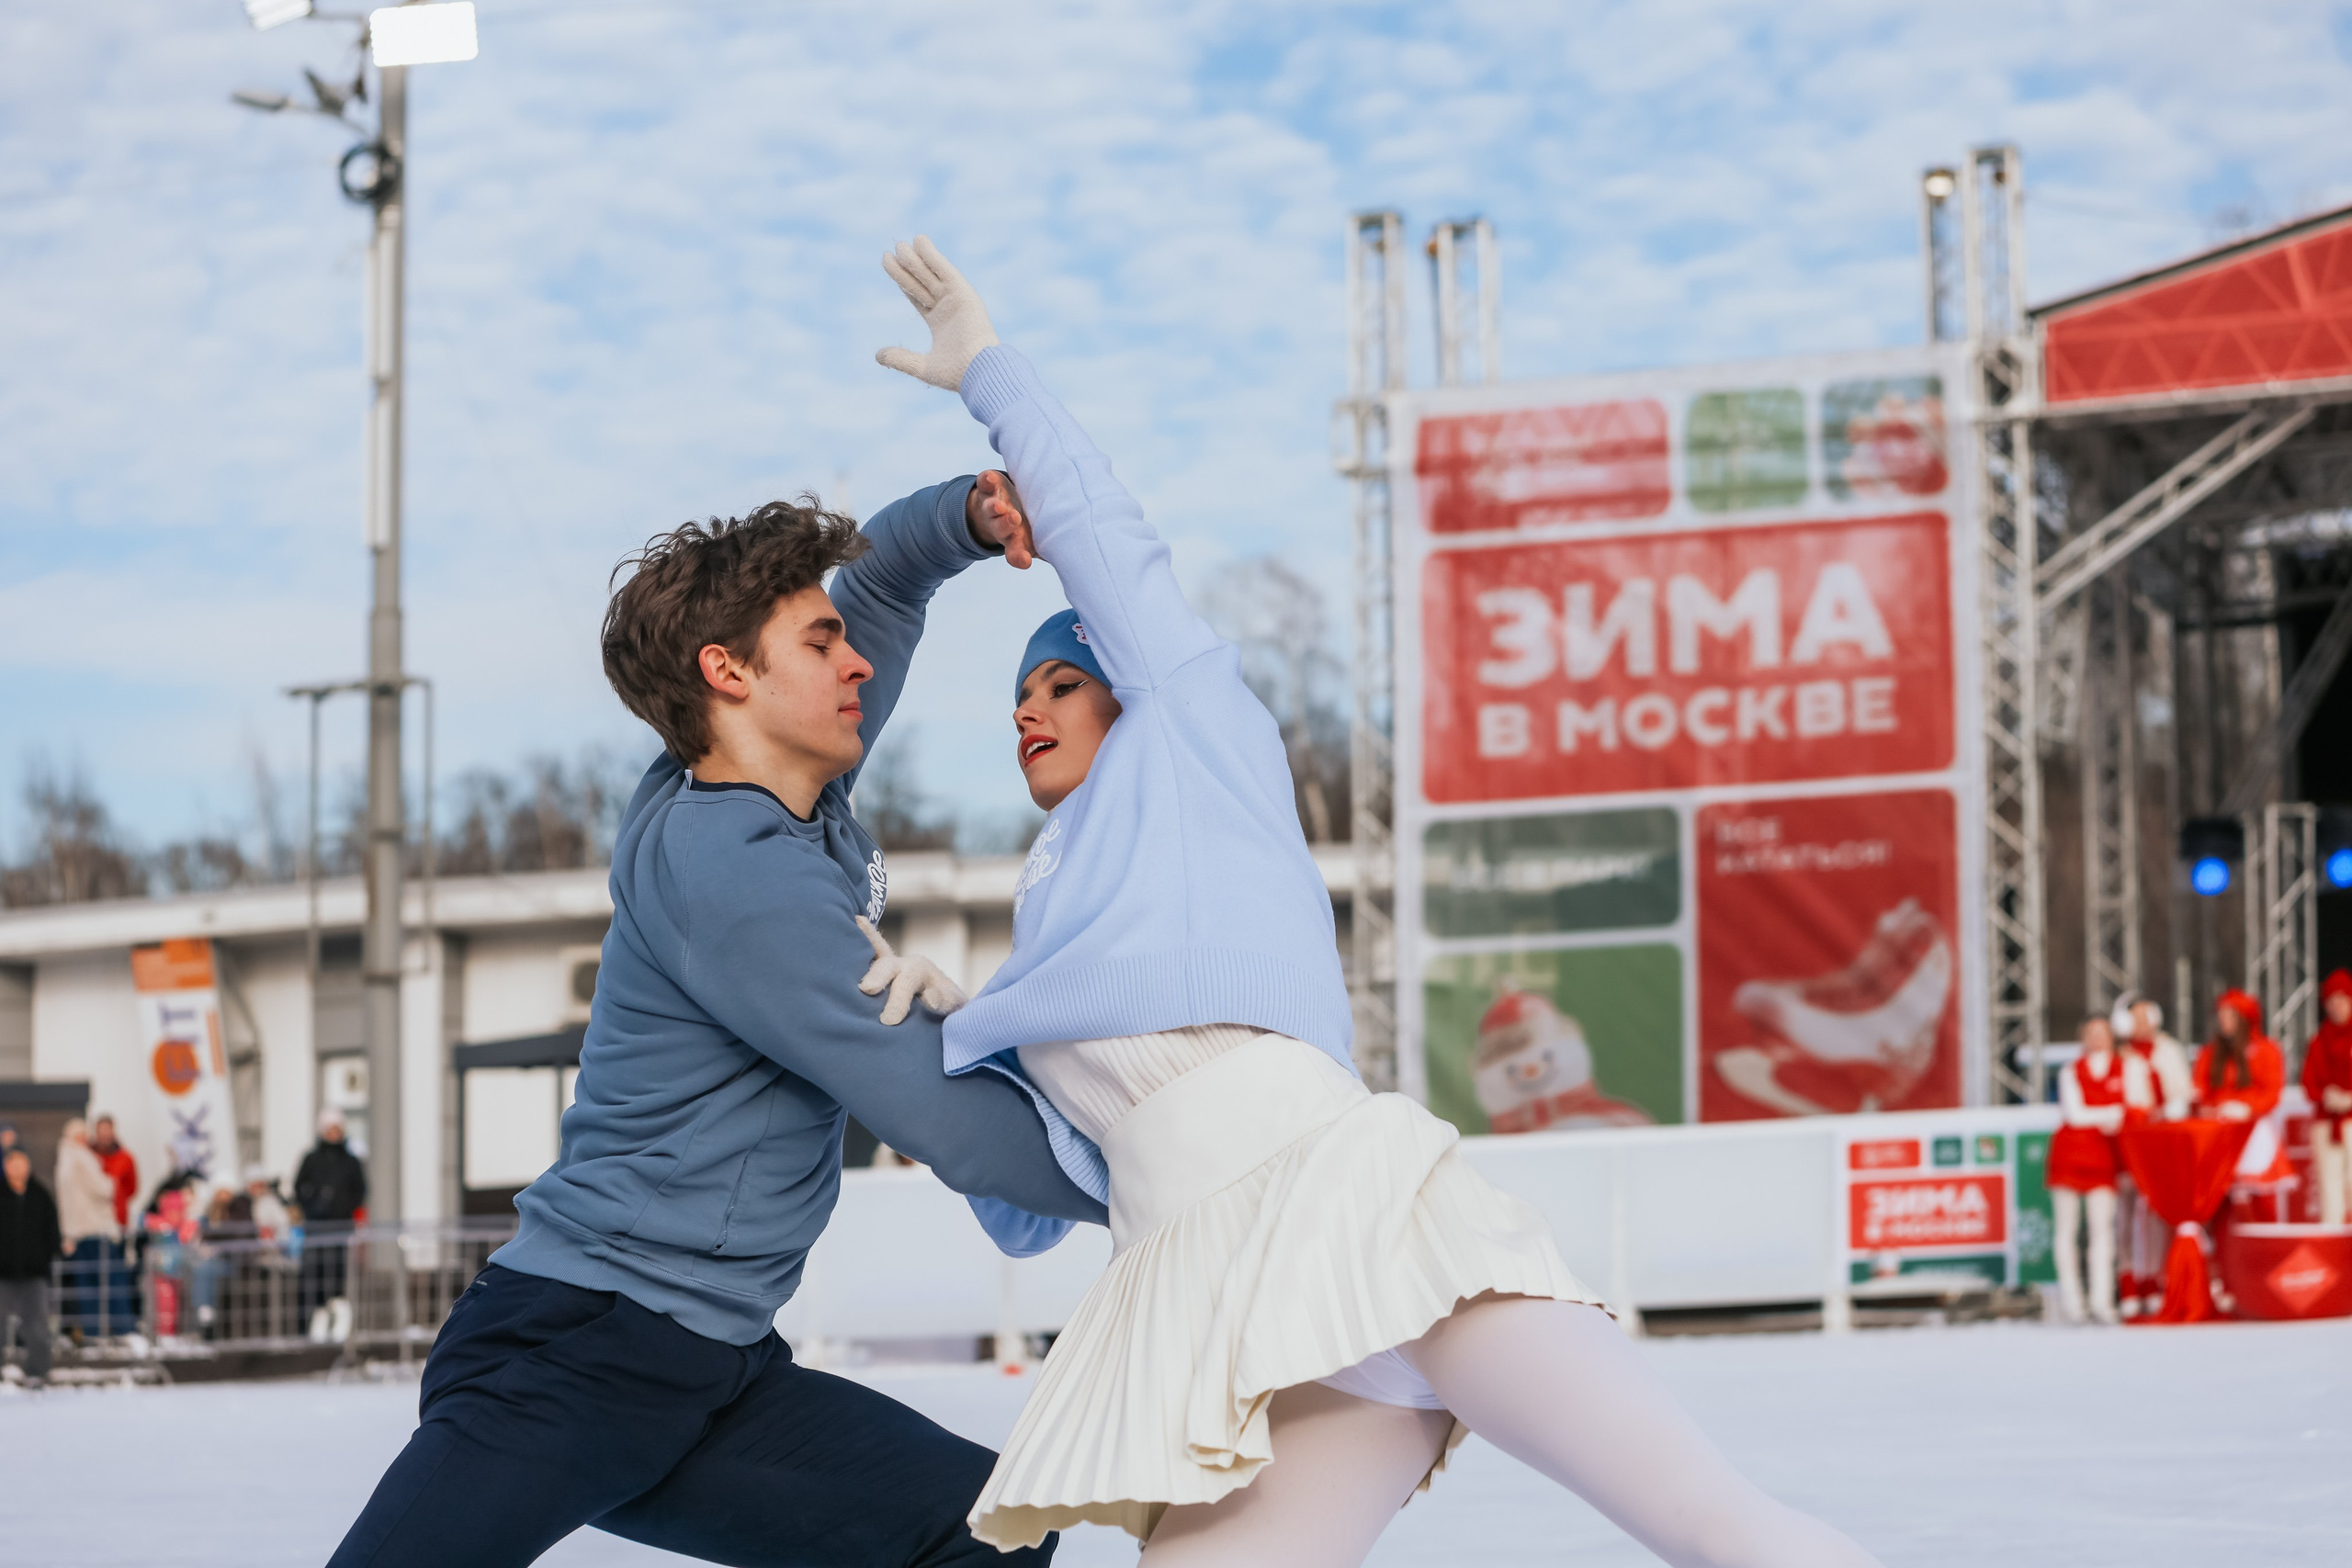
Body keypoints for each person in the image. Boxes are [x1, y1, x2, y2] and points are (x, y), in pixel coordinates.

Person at [869, 237, 1883, 1567]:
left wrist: (992, 377)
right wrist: (958, 1029)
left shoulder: (1196, 732)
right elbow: (1034, 1184)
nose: (1026, 707)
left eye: (1057, 680)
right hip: (1229, 1300)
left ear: (1124, 675)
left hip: (1349, 1209)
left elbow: (1107, 538)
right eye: (1015, 698)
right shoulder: (1050, 926)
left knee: (1713, 1526)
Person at [325, 448, 1105, 1568]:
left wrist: (967, 519)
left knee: (981, 1534)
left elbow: (879, 585)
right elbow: (950, 1121)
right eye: (820, 643)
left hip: (715, 1363)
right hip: (573, 1351)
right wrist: (1171, 1180)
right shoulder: (737, 879)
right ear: (728, 674)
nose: (858, 662)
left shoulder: (772, 785)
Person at [2046, 1016, 2150, 1325]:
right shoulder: (2070, 1071)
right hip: (2069, 1156)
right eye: (2090, 1032)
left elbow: (2136, 1106)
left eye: (2102, 1032)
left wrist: (2115, 1115)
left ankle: (2102, 1301)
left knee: (2102, 1230)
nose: (2097, 1038)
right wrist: (2112, 1113)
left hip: (2104, 1160)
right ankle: (2072, 1302)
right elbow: (2075, 1115)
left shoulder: (2127, 1067)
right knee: (2066, 1230)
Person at [2197, 988, 2289, 1188]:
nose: (2223, 1020)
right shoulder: (2210, 1053)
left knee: (2256, 1193)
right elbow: (2201, 1089)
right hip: (2217, 1133)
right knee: (2219, 1196)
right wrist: (2212, 1108)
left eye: (2230, 1015)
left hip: (2253, 1132)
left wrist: (2247, 1108)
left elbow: (2272, 1092)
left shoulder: (2265, 1050)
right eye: (2221, 1014)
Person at [294, 1110, 367, 1338]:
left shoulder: (351, 1161)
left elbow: (360, 1190)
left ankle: (337, 1319)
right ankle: (317, 1317)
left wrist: (344, 1207)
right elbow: (299, 1187)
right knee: (314, 1272)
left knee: (336, 1271)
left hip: (340, 1226)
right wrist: (313, 1206)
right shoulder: (311, 1159)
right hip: (316, 1227)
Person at [53, 1118, 121, 1338]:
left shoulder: (63, 1161)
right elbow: (103, 1189)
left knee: (86, 1288)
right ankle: (121, 1330)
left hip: (76, 1233)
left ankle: (92, 1332)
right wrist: (112, 1182)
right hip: (96, 1229)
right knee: (111, 1283)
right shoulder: (82, 1157)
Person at [1, 1145, 62, 1387]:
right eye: (12, 1162)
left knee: (37, 1327)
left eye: (21, 1162)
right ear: (5, 1166)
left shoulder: (41, 1196)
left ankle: (37, 1373)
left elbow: (52, 1232)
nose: (17, 1167)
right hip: (2, 1275)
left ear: (28, 1165)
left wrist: (46, 1255)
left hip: (34, 1275)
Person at [2300, 969, 2352, 1226]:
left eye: (2342, 999)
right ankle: (2333, 1244)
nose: (2337, 1006)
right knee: (2329, 1188)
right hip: (2327, 1122)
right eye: (2332, 1000)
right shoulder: (2319, 1040)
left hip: (2350, 1120)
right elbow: (2309, 1083)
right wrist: (2326, 1096)